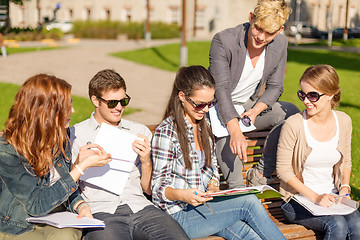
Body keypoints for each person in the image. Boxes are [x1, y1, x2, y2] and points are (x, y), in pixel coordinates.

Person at [151, 65, 286, 240]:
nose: (206, 110)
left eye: (210, 103)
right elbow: (157, 188)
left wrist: (213, 185)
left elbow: (212, 166)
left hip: (204, 208)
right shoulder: (167, 132)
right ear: (182, 97)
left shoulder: (203, 125)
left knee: (249, 235)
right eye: (200, 104)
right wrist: (183, 195)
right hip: (178, 216)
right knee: (249, 202)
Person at [70, 69, 189, 240]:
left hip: (140, 207)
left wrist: (146, 160)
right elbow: (65, 187)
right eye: (112, 103)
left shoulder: (138, 131)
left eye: (123, 101)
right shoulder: (76, 135)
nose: (119, 107)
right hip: (101, 211)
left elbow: (148, 189)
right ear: (95, 100)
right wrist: (79, 165)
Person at [0, 74, 111, 239]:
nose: (72, 110)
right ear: (44, 110)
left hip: (56, 215)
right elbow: (35, 205)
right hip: (19, 223)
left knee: (67, 236)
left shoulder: (60, 135)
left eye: (71, 103)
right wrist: (81, 167)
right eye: (65, 105)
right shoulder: (7, 150)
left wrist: (80, 205)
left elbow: (62, 180)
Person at [208, 0, 300, 188]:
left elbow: (275, 87)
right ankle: (239, 191)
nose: (261, 36)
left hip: (247, 108)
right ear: (251, 18)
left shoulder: (280, 44)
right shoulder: (224, 41)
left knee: (291, 113)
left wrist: (255, 111)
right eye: (258, 28)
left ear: (280, 30)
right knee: (233, 166)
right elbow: (221, 90)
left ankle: (259, 172)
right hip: (217, 108)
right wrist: (234, 130)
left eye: (269, 33)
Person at [276, 65, 360, 239]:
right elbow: (283, 170)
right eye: (302, 95)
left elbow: (346, 161)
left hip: (332, 197)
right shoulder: (294, 124)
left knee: (357, 224)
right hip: (297, 200)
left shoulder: (344, 121)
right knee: (336, 224)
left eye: (312, 95)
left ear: (330, 95)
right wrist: (315, 198)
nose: (306, 101)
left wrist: (344, 186)